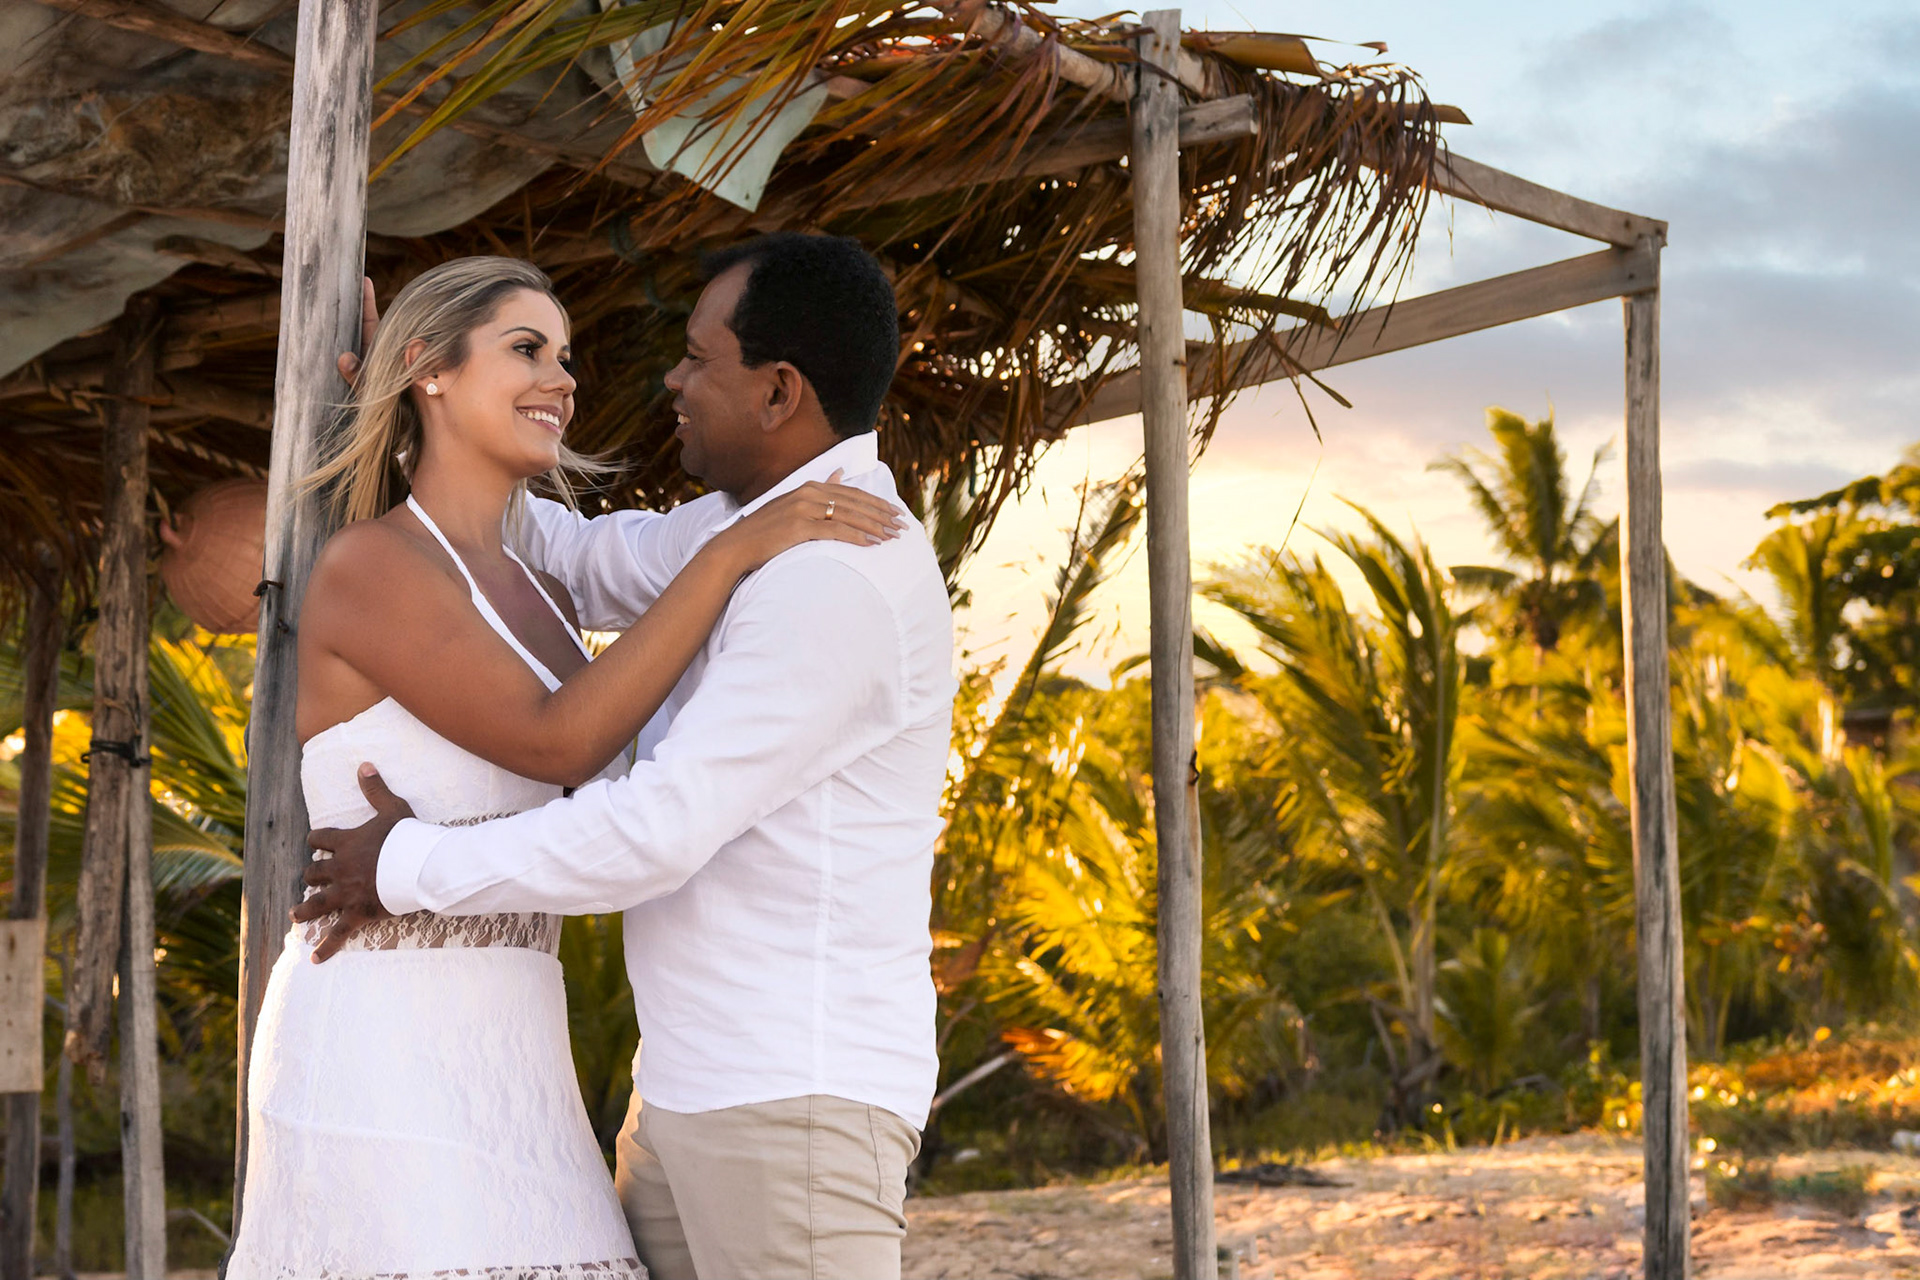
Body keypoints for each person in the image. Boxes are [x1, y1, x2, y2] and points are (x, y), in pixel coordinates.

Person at [225, 254, 900, 1278]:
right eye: (528, 349)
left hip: (519, 1056)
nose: (565, 379)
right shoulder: (368, 567)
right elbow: (558, 739)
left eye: (567, 356)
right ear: (432, 370)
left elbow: (615, 785)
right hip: (386, 1044)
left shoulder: (542, 589)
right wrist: (728, 552)